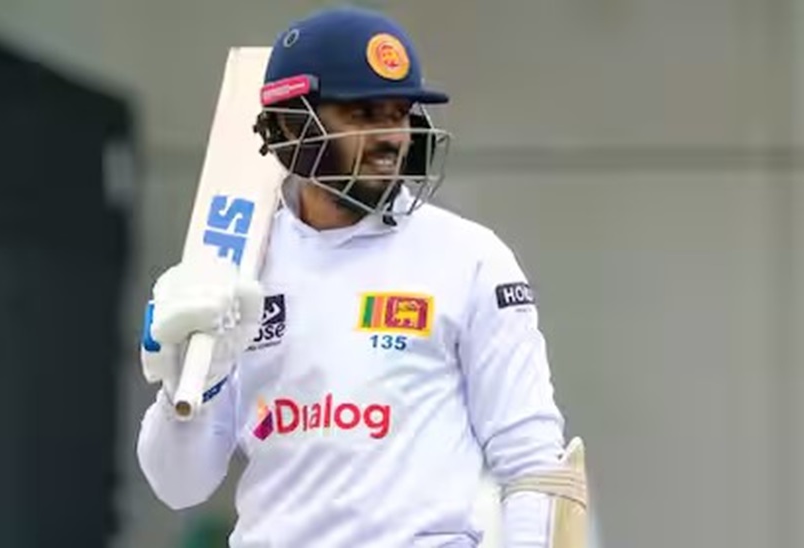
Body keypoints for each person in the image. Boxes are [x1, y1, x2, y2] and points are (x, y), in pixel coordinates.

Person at [136, 6, 588, 547]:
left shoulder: (469, 258)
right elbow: (177, 486)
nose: (391, 137)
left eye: (399, 113)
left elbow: (532, 463)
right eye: (363, 113)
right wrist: (189, 383)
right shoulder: (234, 265)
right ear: (289, 125)